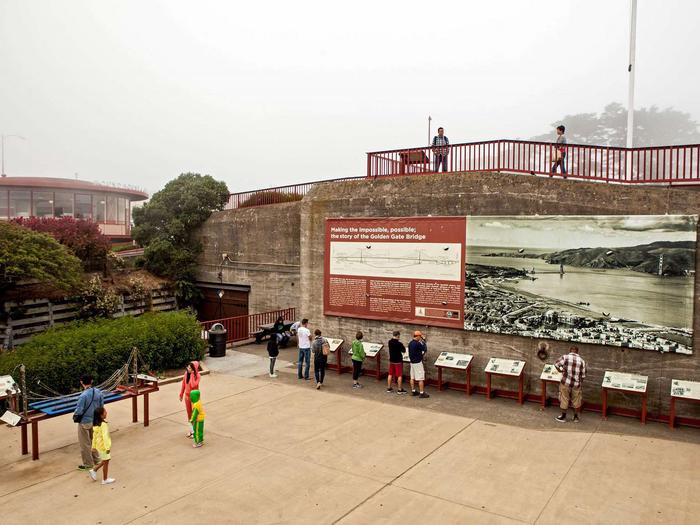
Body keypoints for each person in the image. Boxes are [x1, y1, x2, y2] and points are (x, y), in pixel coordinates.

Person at [74, 375, 105, 471]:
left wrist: (75, 416)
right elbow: (101, 406)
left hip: (85, 422)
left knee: (85, 443)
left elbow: (79, 410)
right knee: (93, 441)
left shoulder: (83, 396)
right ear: (91, 381)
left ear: (81, 382)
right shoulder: (98, 392)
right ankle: (97, 460)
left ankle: (88, 464)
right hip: (95, 420)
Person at [554, 346, 586, 423]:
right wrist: (580, 383)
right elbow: (583, 375)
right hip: (576, 384)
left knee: (564, 398)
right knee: (576, 400)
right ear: (577, 352)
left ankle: (563, 417)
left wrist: (560, 371)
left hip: (565, 382)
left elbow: (556, 364)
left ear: (570, 350)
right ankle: (575, 417)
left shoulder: (565, 357)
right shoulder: (582, 361)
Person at [88, 406, 114, 485]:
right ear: (101, 415)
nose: (106, 412)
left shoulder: (96, 425)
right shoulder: (103, 425)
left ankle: (94, 470)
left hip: (99, 446)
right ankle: (105, 479)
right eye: (105, 412)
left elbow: (94, 437)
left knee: (106, 460)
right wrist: (107, 447)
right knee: (106, 462)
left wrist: (93, 446)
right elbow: (105, 437)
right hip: (103, 447)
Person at [179, 361, 201, 437]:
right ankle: (191, 430)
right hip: (187, 397)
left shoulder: (198, 376)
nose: (188, 369)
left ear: (194, 369)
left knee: (194, 414)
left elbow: (193, 385)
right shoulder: (186, 374)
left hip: (194, 397)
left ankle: (195, 430)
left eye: (190, 368)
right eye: (188, 367)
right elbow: (183, 384)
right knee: (189, 414)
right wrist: (181, 394)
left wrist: (192, 374)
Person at [408, 331, 429, 398]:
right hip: (418, 363)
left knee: (412, 377)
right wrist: (424, 341)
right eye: (420, 336)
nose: (420, 338)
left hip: (412, 363)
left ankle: (413, 391)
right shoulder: (418, 344)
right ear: (418, 336)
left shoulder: (410, 343)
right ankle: (422, 393)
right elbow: (425, 349)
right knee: (420, 378)